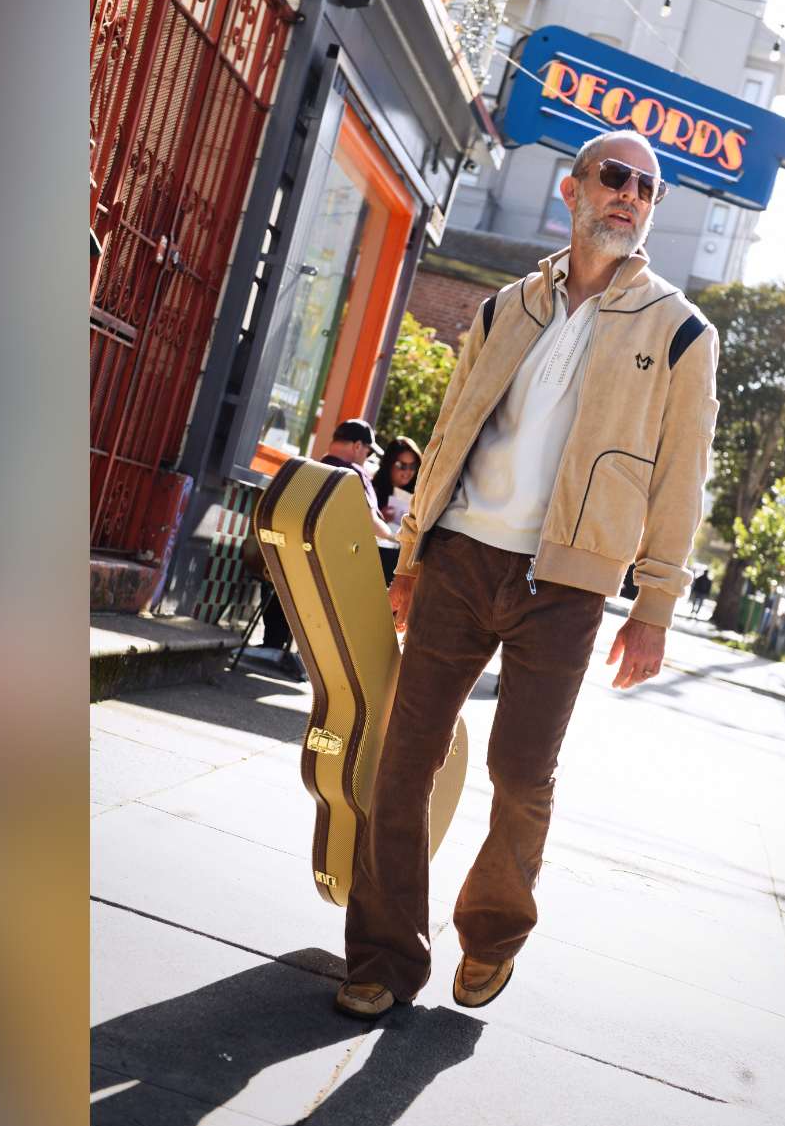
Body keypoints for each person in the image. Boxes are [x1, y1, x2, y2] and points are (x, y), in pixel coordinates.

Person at [334, 130, 720, 1018]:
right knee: (403, 761)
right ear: (572, 189)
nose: (630, 196)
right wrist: (416, 552)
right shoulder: (505, 306)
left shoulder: (679, 330)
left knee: (520, 771)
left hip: (570, 587)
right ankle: (385, 958)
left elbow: (680, 478)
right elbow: (451, 430)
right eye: (615, 178)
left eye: (647, 189)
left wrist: (654, 603)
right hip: (464, 555)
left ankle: (492, 935)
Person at [259, 419, 398, 680]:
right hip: (327, 567)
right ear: (358, 446)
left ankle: (272, 642)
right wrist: (397, 536)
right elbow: (372, 524)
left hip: (278, 560)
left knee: (292, 564)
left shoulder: (303, 467)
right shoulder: (352, 475)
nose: (366, 457)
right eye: (367, 451)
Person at [370, 436, 423, 585]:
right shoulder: (372, 491)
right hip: (376, 561)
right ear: (389, 464)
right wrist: (379, 520)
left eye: (413, 466)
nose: (408, 472)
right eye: (402, 465)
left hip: (402, 565)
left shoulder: (419, 494)